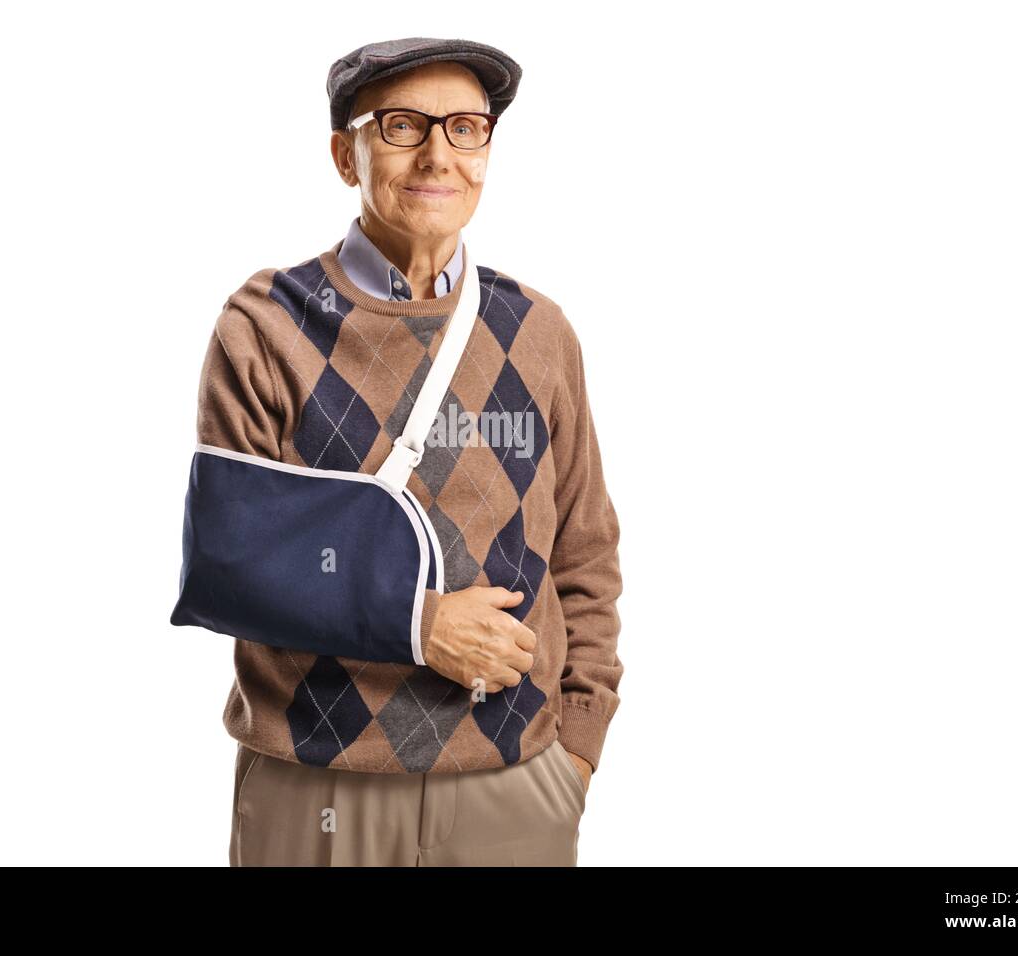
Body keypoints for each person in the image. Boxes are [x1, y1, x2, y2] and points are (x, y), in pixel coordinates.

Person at [190, 37, 623, 865]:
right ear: (344, 156)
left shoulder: (537, 332)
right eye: (400, 126)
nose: (438, 155)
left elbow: (586, 553)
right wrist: (421, 624)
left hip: (515, 786)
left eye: (466, 128)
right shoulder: (266, 325)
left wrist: (577, 751)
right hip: (316, 787)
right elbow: (226, 563)